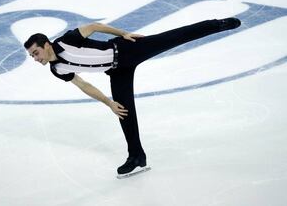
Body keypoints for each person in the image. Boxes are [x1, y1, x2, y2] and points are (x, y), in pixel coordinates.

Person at [24, 17, 241, 178]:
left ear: (46, 45)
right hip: (117, 71)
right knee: (123, 111)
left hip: (127, 50)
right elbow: (83, 84)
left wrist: (122, 33)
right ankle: (136, 157)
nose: (35, 59)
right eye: (32, 56)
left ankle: (217, 24)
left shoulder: (68, 40)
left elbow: (93, 26)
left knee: (174, 37)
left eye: (36, 53)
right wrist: (109, 103)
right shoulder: (57, 69)